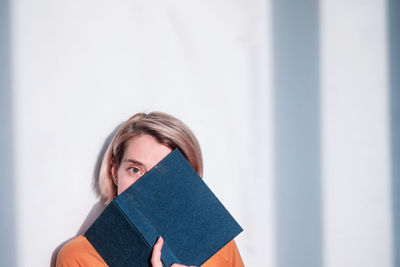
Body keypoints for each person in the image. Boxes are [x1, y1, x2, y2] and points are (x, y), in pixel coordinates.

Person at [56, 112, 244, 267]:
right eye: (135, 170)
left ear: (189, 179)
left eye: (165, 173)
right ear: (115, 173)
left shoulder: (218, 244)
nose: (147, 185)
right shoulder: (77, 257)